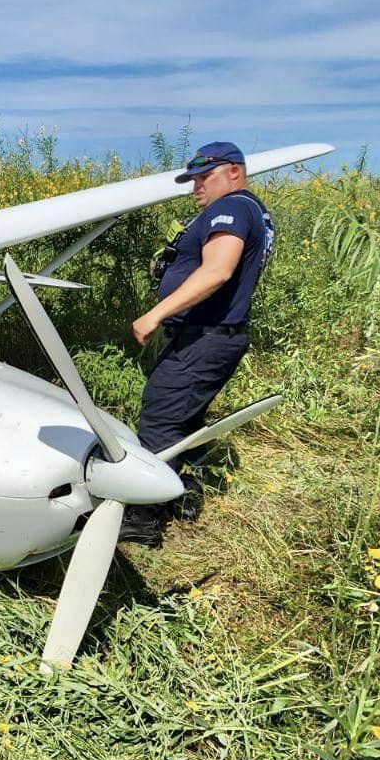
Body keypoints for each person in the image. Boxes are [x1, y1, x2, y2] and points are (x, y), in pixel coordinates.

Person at [119, 141, 275, 547]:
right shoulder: (250, 210)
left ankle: (141, 521)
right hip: (212, 337)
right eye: (193, 180)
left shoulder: (234, 208)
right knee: (184, 423)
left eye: (205, 177)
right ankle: (180, 494)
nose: (196, 188)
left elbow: (218, 271)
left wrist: (154, 314)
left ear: (235, 172)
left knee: (159, 418)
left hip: (205, 338)